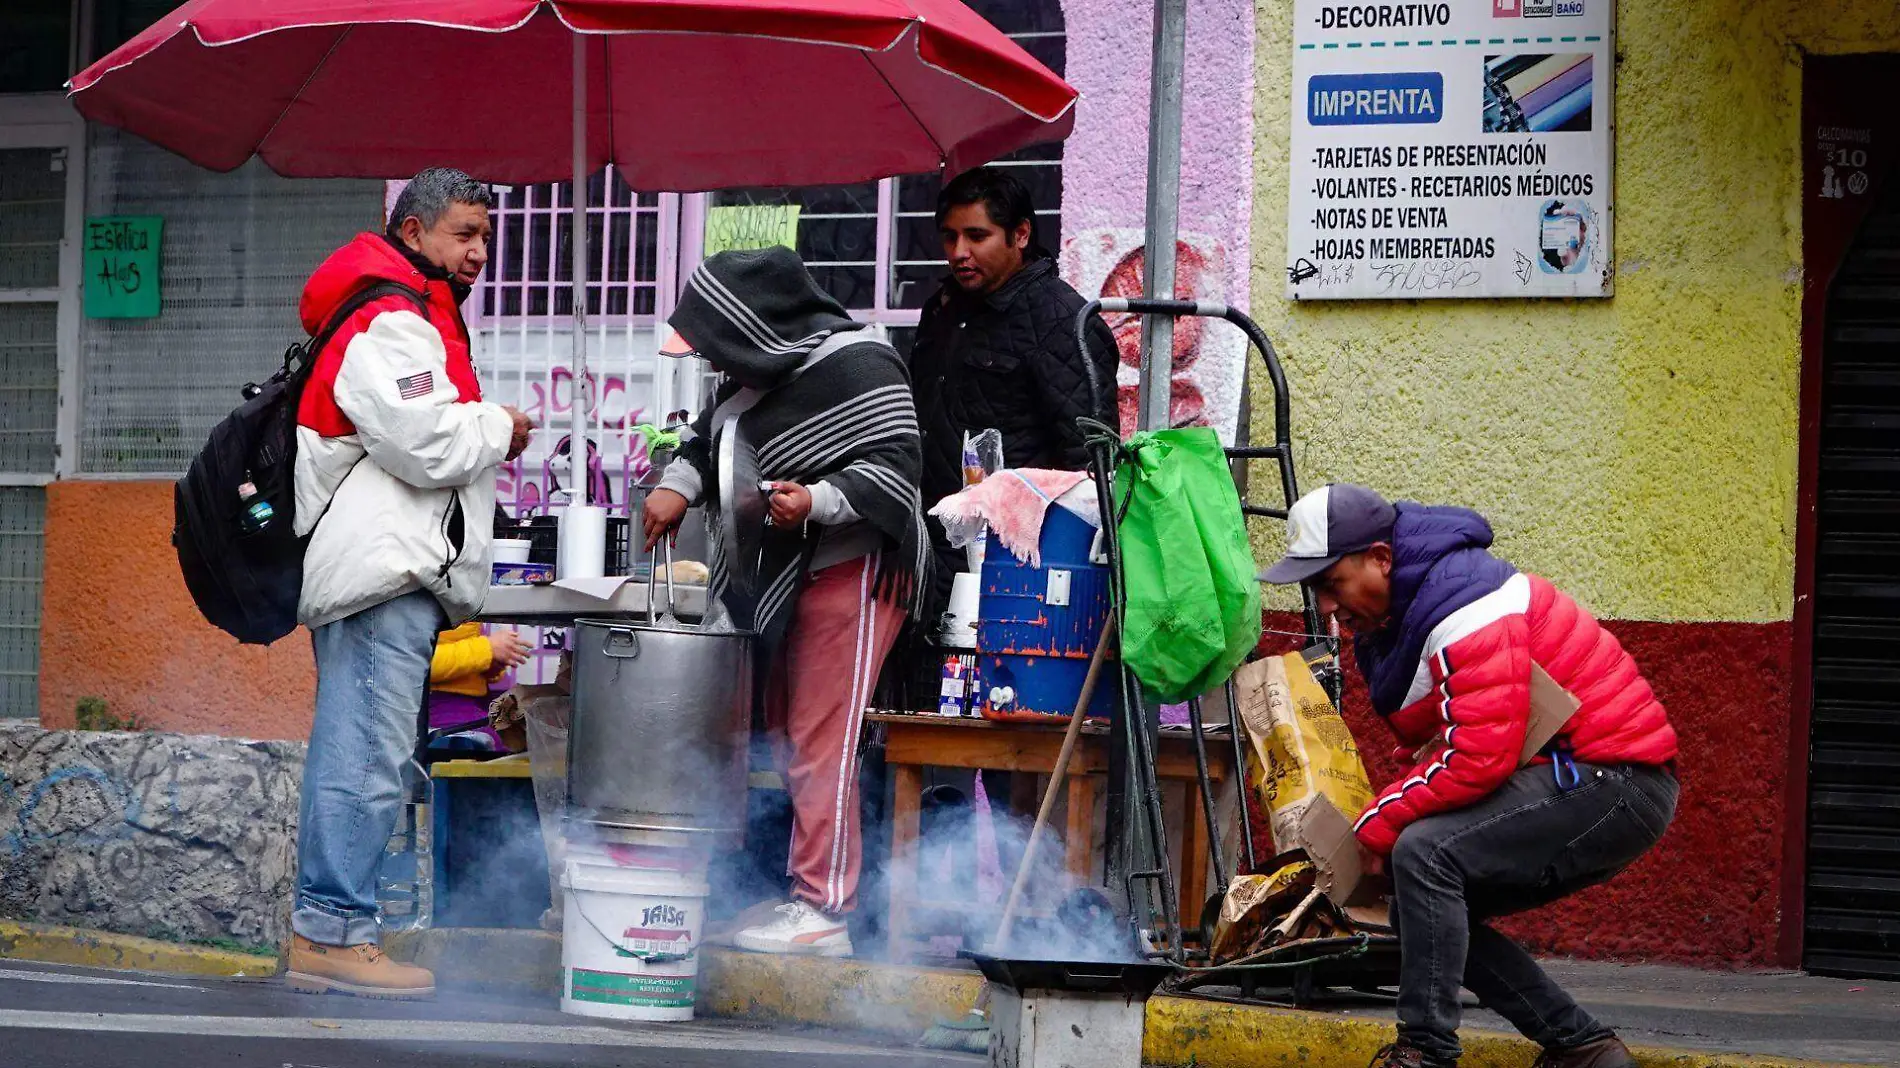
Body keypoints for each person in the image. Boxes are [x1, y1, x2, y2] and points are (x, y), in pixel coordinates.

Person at [1260, 484, 1680, 1068]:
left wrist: (1377, 825)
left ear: (1382, 558)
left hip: (1615, 780)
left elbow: (1480, 754)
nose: (1325, 606)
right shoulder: (1417, 608)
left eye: (1332, 583)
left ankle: (1426, 1052)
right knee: (1418, 903)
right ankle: (1582, 1048)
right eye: (1316, 590)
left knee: (1425, 855)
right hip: (1579, 775)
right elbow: (1447, 737)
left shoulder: (1465, 601)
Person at [287, 167, 535, 999]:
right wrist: (500, 424)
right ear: (412, 232)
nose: (477, 253)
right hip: (376, 575)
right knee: (364, 755)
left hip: (391, 575)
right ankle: (330, 931)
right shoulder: (390, 319)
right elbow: (424, 442)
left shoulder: (410, 313)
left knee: (372, 753)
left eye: (485, 238)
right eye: (463, 234)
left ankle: (340, 931)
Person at [643, 247, 928, 957]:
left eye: (719, 348)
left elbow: (896, 466)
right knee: (791, 737)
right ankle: (800, 893)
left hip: (853, 566)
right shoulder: (749, 379)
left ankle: (824, 907)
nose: (716, 368)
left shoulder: (862, 363)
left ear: (754, 328)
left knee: (820, 741)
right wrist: (677, 484)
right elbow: (707, 437)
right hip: (785, 578)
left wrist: (818, 501)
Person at [908, 166, 1118, 619]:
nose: (959, 252)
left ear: (1020, 234)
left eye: (977, 236)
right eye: (950, 237)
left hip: (1018, 563)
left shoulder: (1064, 323)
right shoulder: (944, 309)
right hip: (933, 548)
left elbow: (1090, 469)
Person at [426, 623, 534, 752]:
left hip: (470, 708)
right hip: (433, 711)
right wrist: (487, 649)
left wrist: (491, 663)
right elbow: (411, 663)